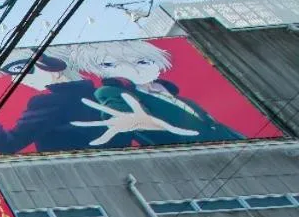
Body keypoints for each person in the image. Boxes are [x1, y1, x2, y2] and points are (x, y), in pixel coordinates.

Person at [0, 48, 199, 152]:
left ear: (49, 63)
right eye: (10, 73)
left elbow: (6, 143)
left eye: (17, 69)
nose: (17, 79)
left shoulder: (50, 103)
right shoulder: (106, 90)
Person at [62, 40, 243, 147]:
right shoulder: (111, 92)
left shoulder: (173, 94)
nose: (132, 68)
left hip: (237, 144)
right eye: (110, 64)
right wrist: (134, 121)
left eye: (141, 60)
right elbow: (118, 108)